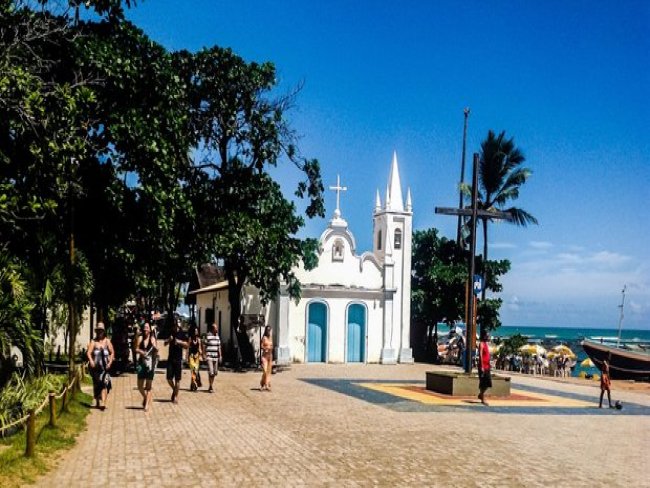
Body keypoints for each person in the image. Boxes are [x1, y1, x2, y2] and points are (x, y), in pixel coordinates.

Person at [86, 322, 114, 410]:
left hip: (105, 367)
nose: (100, 332)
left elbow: (112, 352)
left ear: (103, 331)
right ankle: (98, 400)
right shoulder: (93, 342)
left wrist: (110, 361)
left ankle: (103, 403)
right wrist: (91, 360)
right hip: (96, 368)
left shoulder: (107, 341)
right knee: (97, 384)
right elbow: (88, 353)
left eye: (101, 331)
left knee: (104, 384)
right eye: (98, 331)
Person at [164, 319, 188, 404]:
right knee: (169, 378)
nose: (176, 326)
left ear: (179, 325)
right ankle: (175, 391)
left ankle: (176, 397)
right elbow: (164, 343)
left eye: (177, 324)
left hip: (178, 359)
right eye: (175, 324)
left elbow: (187, 345)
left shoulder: (182, 334)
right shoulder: (171, 332)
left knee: (178, 380)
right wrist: (169, 340)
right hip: (170, 359)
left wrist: (179, 342)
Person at [136, 322, 158, 412]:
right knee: (140, 385)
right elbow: (136, 349)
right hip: (141, 363)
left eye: (147, 328)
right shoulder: (140, 338)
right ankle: (145, 397)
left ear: (149, 330)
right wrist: (142, 352)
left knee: (148, 386)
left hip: (150, 364)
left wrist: (155, 348)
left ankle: (147, 405)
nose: (145, 329)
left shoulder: (152, 339)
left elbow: (156, 350)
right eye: (144, 327)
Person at [204, 322, 222, 393]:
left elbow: (219, 347)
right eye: (216, 328)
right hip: (209, 356)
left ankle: (210, 385)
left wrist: (220, 356)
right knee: (211, 372)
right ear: (212, 329)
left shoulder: (217, 336)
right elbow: (204, 346)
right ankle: (211, 386)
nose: (217, 329)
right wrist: (204, 355)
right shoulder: (208, 335)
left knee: (215, 372)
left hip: (215, 357)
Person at [477, 328, 492, 406]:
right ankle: (483, 398)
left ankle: (481, 394)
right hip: (482, 366)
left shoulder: (486, 344)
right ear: (484, 335)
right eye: (487, 334)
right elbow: (480, 355)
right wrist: (482, 366)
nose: (489, 335)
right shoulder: (481, 344)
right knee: (483, 382)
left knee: (488, 382)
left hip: (487, 365)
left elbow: (487, 355)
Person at [188, 326, 203, 392]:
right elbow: (188, 348)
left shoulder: (199, 340)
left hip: (196, 357)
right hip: (191, 356)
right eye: (195, 331)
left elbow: (199, 348)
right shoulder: (190, 339)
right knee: (193, 371)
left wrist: (200, 353)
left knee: (195, 371)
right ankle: (195, 384)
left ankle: (192, 385)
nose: (196, 332)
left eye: (196, 331)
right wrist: (187, 358)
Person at [260, 325, 273, 391]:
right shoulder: (264, 338)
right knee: (264, 371)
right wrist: (265, 348)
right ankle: (262, 383)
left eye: (269, 330)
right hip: (264, 356)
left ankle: (266, 384)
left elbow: (272, 345)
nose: (268, 331)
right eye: (267, 330)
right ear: (266, 331)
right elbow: (261, 346)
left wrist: (271, 348)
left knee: (268, 371)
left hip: (270, 356)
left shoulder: (270, 337)